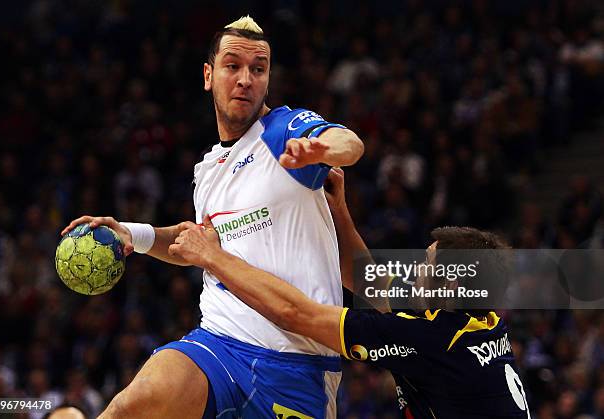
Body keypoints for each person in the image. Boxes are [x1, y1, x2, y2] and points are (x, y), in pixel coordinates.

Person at [61, 16, 364, 419]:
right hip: (218, 345)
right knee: (129, 407)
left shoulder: (283, 131)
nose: (245, 79)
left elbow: (349, 143)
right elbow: (198, 243)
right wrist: (129, 233)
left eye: (258, 69)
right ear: (208, 75)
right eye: (232, 65)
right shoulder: (207, 169)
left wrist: (319, 148)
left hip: (297, 364)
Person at [170, 168, 531, 419]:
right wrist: (339, 212)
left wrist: (212, 257)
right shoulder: (479, 322)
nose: (417, 268)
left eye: (427, 263)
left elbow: (296, 314)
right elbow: (367, 281)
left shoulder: (432, 339)